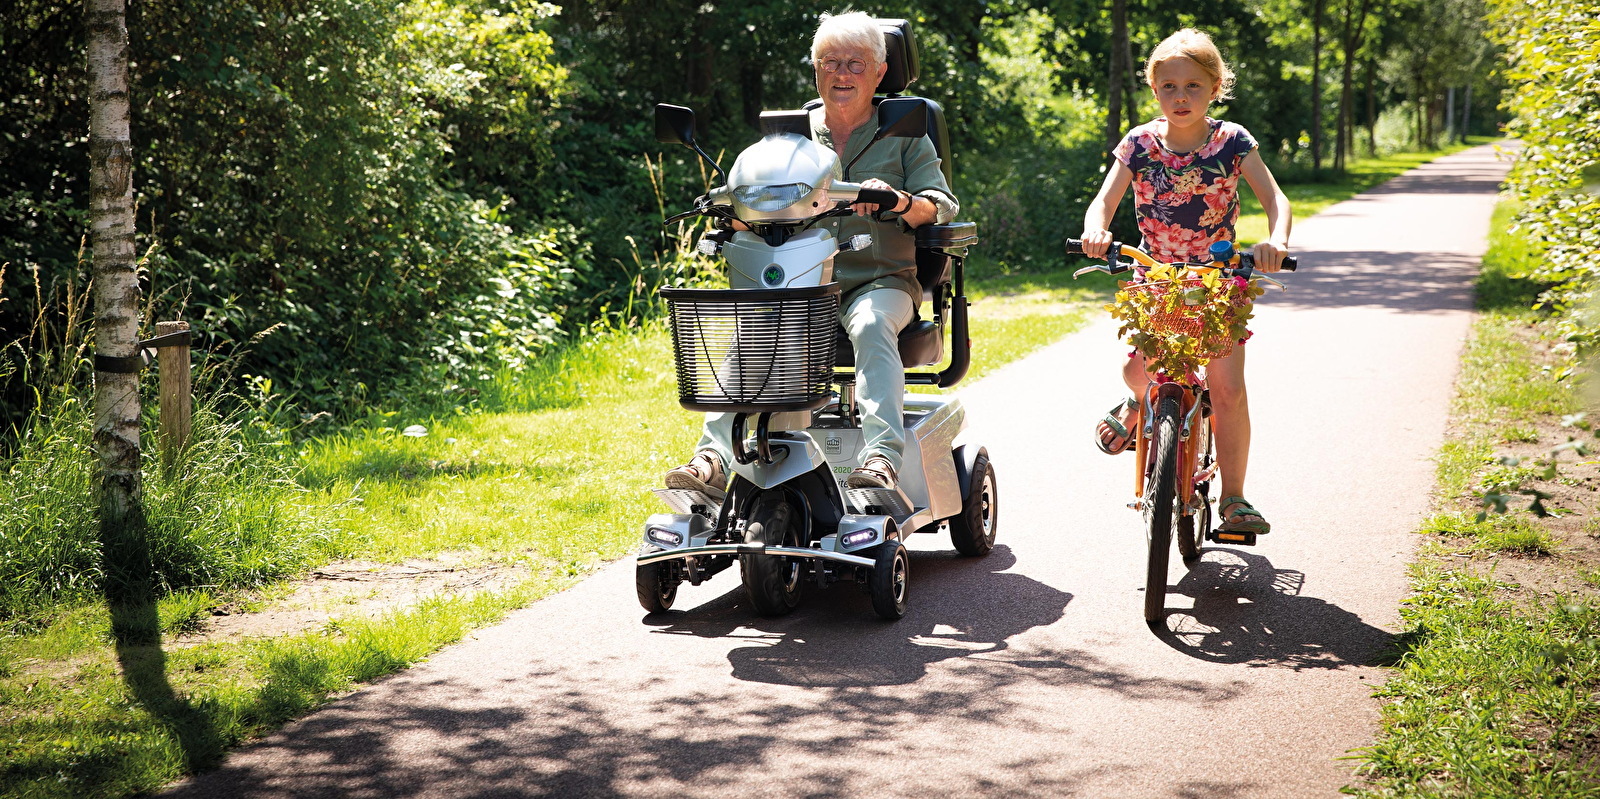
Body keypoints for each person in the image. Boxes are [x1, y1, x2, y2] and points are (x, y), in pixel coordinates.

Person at [664, 11, 959, 498]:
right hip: (800, 281)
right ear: (816, 70)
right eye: (831, 62)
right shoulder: (786, 140)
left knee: (868, 324)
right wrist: (731, 210)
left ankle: (882, 457)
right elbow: (748, 192)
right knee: (753, 327)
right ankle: (713, 458)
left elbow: (941, 205)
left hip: (879, 281)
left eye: (856, 64)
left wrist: (900, 200)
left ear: (880, 72)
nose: (842, 74)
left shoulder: (907, 132)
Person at [1079, 28, 1291, 536]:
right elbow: (1105, 199)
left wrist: (1276, 241)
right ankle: (1137, 404)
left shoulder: (1233, 142)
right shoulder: (1139, 144)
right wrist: (1095, 229)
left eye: (1193, 86)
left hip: (1219, 280)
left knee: (1227, 388)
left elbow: (1275, 200)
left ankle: (1235, 498)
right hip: (1156, 275)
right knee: (1139, 370)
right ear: (1154, 90)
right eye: (1169, 86)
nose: (1180, 96)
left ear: (1215, 87)